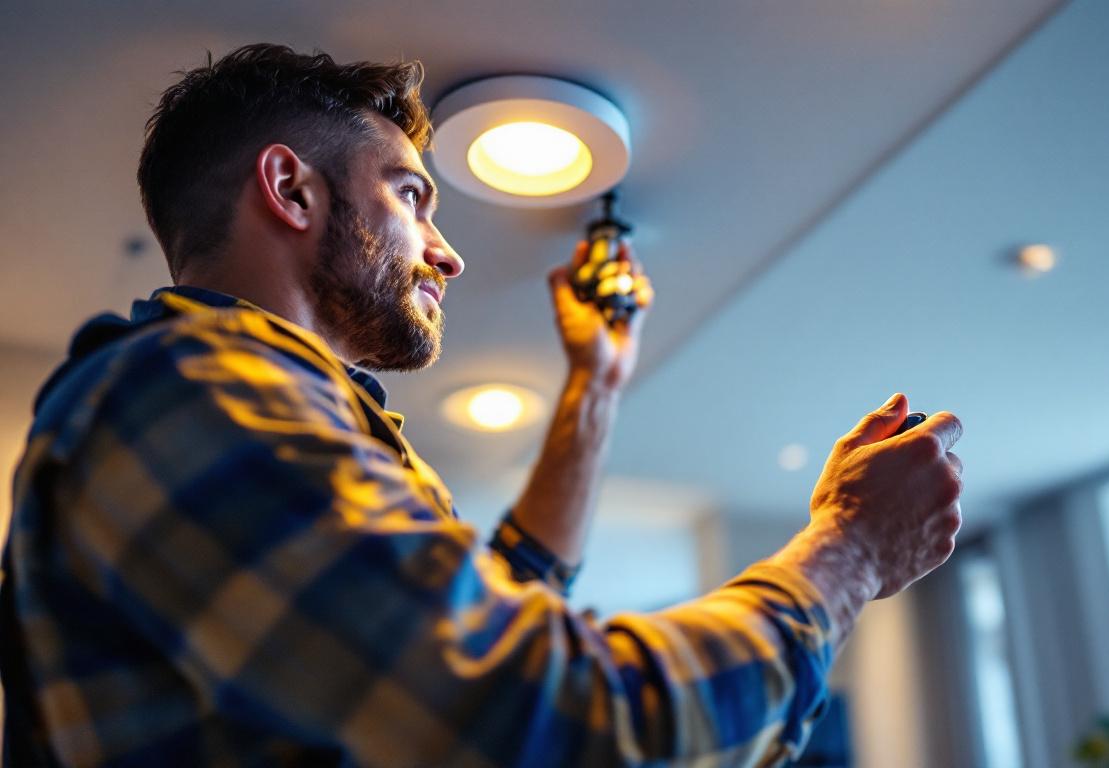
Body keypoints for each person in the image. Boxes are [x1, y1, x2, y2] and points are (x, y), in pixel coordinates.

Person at [0, 44, 963, 767]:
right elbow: (534, 721)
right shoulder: (186, 392)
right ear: (290, 188)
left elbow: (487, 626)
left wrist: (594, 389)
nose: (448, 253)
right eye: (412, 195)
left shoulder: (247, 407)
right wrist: (848, 556)